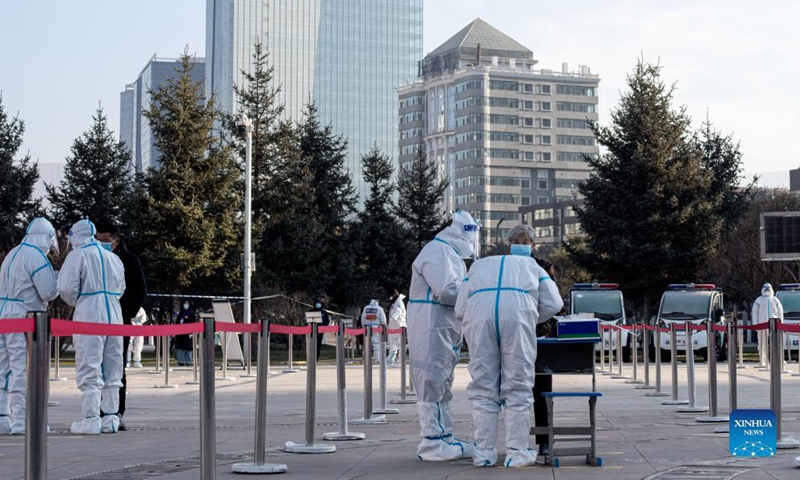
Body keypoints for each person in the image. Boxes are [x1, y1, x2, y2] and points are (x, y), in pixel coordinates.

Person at [455, 224, 562, 468]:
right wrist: (530, 316)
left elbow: (460, 308)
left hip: (480, 319)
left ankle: (483, 453)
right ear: (533, 244)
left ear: (508, 243)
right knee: (518, 387)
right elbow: (555, 303)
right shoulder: (534, 266)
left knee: (483, 388)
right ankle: (517, 452)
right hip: (517, 318)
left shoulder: (479, 265)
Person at [408, 210, 479, 461]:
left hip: (442, 326)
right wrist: (477, 289)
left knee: (441, 383)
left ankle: (444, 436)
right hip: (432, 327)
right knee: (432, 381)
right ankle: (433, 442)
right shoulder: (437, 251)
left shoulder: (449, 253)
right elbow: (447, 290)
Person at [58, 219, 126, 435]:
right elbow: (121, 288)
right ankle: (112, 417)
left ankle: (91, 418)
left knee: (89, 364)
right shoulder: (113, 258)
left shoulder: (77, 255)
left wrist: (82, 301)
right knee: (113, 365)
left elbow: (66, 289)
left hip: (89, 312)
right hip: (114, 313)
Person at [0, 218, 59, 435]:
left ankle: (3, 417)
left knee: (3, 369)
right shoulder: (36, 257)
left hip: (4, 316)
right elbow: (48, 292)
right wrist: (58, 280)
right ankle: (22, 421)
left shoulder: (13, 254)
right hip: (25, 317)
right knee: (22, 369)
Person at [95, 222, 146, 430]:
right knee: (95, 367)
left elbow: (139, 290)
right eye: (97, 239)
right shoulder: (93, 258)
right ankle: (96, 410)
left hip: (118, 319)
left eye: (105, 240)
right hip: (96, 319)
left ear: (116, 240)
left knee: (116, 368)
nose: (100, 244)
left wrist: (125, 313)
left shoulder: (129, 260)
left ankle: (116, 411)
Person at [532, 250, 557, 459]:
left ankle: (544, 441)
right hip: (512, 335)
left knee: (542, 394)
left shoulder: (543, 265)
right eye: (516, 242)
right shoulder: (506, 265)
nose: (520, 246)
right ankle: (517, 441)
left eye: (524, 242)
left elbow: (553, 300)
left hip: (539, 336)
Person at [752, 283, 783, 368]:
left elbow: (780, 312)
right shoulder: (758, 300)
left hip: (774, 325)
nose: (767, 291)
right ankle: (763, 360)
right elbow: (755, 313)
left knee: (776, 343)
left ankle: (777, 359)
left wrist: (781, 324)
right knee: (762, 343)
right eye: (765, 289)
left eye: (768, 289)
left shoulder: (775, 300)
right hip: (762, 325)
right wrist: (756, 325)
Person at [387, 290, 407, 367]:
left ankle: (401, 361)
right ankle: (390, 359)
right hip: (393, 326)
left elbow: (397, 312)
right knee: (392, 343)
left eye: (391, 296)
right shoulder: (394, 303)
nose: (390, 298)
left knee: (399, 343)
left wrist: (393, 318)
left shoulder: (399, 303)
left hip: (398, 326)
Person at [173, 301, 196, 366]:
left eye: (187, 303)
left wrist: (191, 332)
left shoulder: (192, 314)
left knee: (188, 348)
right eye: (185, 303)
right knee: (180, 348)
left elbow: (193, 323)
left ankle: (188, 361)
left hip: (188, 334)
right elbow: (177, 322)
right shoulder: (181, 313)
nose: (186, 305)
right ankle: (181, 361)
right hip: (180, 334)